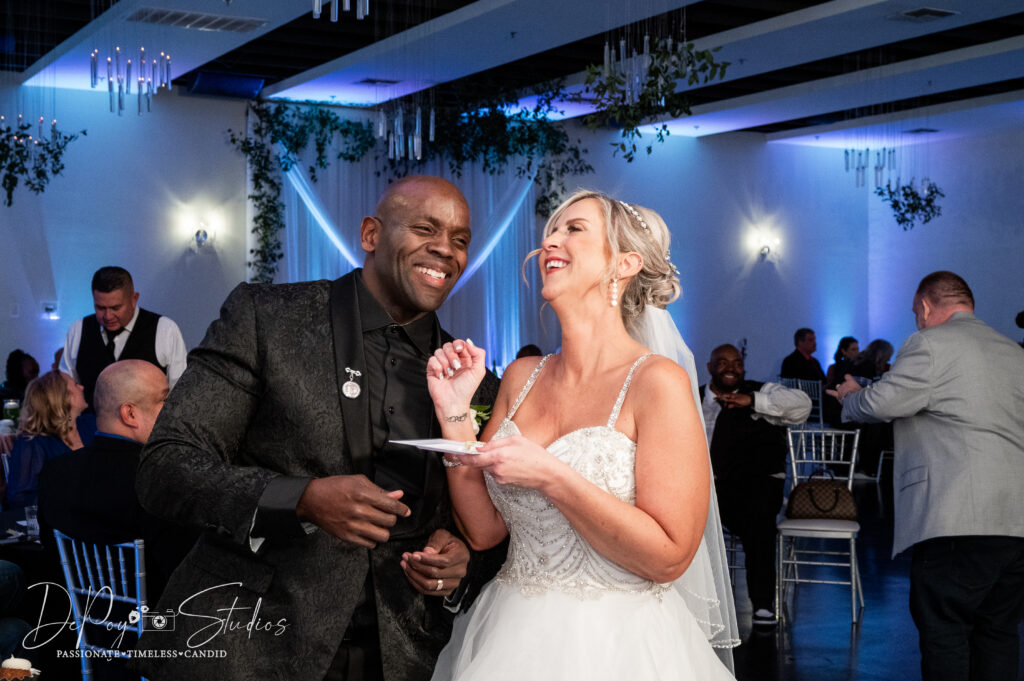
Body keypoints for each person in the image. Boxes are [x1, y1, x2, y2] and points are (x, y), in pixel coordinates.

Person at [134, 176, 500, 681]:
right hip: (249, 645)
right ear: (371, 234)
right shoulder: (267, 319)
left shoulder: (475, 383)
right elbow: (166, 466)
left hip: (403, 656)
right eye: (424, 228)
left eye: (460, 240)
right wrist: (300, 499)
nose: (445, 248)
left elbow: (503, 530)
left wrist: (462, 566)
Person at [424, 191, 737, 680]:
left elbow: (670, 556)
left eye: (574, 229)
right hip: (510, 631)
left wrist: (553, 477)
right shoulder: (521, 376)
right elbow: (485, 530)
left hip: (620, 645)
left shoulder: (657, 382)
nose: (551, 239)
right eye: (552, 229)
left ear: (625, 264)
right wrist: (454, 414)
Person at [831, 271, 1024, 681]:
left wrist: (851, 397)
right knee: (999, 634)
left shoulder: (930, 343)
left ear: (923, 307)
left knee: (945, 633)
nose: (916, 322)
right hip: (1016, 521)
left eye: (915, 314)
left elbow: (882, 404)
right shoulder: (1014, 352)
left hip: (957, 518)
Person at [38, 360, 197, 602]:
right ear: (130, 413)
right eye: (164, 400)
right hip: (156, 630)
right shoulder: (158, 479)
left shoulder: (55, 471)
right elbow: (185, 579)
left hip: (81, 626)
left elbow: (54, 559)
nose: (173, 409)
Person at [699, 343, 810, 627]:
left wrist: (754, 401)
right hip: (700, 487)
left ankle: (762, 604)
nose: (730, 367)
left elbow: (802, 406)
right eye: (722, 362)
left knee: (759, 520)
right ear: (710, 367)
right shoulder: (692, 397)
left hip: (750, 486)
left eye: (736, 362)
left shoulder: (763, 392)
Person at [60, 266, 187, 409]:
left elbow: (180, 392)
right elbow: (65, 388)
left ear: (134, 299)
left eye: (115, 308)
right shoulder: (77, 330)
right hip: (89, 428)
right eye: (100, 308)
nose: (108, 316)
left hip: (149, 430)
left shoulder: (165, 329)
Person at [5, 371, 89, 509]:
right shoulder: (34, 443)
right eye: (75, 385)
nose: (82, 387)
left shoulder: (90, 425)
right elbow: (20, 500)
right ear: (64, 397)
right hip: (56, 524)